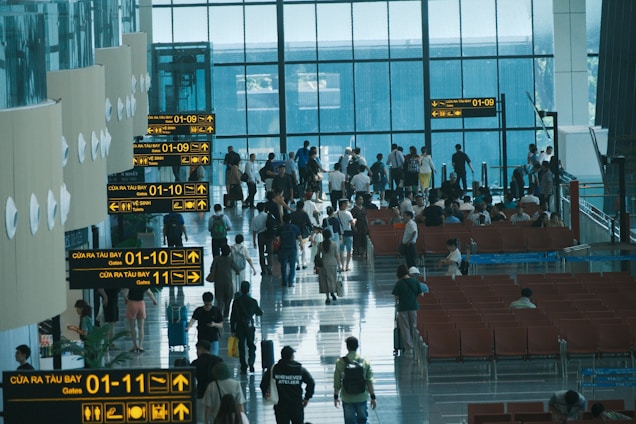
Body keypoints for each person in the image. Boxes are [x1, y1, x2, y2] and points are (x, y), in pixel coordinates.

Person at [261, 346, 315, 424]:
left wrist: (266, 394)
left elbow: (263, 383)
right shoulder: (300, 370)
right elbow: (311, 383)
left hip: (280, 405)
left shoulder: (274, 369)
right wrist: (307, 398)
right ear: (292, 356)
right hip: (296, 405)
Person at [333, 336, 377, 424]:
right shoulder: (365, 362)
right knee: (363, 420)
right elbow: (369, 381)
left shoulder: (340, 362)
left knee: (349, 421)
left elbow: (337, 381)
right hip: (362, 396)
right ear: (357, 346)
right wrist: (373, 397)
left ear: (347, 347)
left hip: (347, 397)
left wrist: (336, 397)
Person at [230, 281, 263, 374]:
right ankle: (251, 362)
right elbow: (259, 312)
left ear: (241, 289)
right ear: (248, 290)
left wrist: (232, 329)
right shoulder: (253, 301)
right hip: (249, 325)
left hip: (240, 326)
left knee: (241, 346)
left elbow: (233, 316)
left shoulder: (236, 301)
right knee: (251, 345)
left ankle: (243, 366)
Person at [392, 264, 422, 357]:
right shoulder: (415, 281)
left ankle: (409, 348)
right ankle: (416, 345)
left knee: (405, 328)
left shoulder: (399, 283)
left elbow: (396, 296)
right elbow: (420, 294)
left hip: (403, 308)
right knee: (413, 326)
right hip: (413, 306)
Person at [191, 340, 224, 420]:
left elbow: (191, 380)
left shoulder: (196, 363)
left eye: (197, 349)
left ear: (201, 349)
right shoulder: (219, 360)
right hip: (217, 393)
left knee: (201, 418)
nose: (197, 352)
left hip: (201, 393)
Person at [209, 244, 241, 318]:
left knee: (219, 300)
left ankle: (219, 314)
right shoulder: (230, 259)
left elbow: (212, 269)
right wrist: (237, 271)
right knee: (228, 299)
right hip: (228, 283)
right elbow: (237, 269)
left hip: (218, 282)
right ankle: (226, 314)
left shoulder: (216, 259)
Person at [123, 288, 157, 352]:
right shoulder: (142, 281)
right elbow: (149, 293)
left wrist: (125, 299)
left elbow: (125, 293)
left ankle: (135, 345)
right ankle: (140, 345)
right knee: (141, 327)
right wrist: (154, 300)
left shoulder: (128, 281)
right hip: (141, 304)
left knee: (132, 328)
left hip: (131, 303)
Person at [316, 229, 343, 305]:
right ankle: (333, 292)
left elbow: (318, 255)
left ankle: (327, 297)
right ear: (330, 235)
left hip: (323, 264)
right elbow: (337, 255)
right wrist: (339, 264)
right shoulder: (334, 244)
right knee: (332, 279)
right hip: (333, 264)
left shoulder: (320, 244)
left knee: (324, 281)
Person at [278, 213, 304, 287]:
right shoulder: (295, 227)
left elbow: (276, 238)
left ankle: (284, 282)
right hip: (292, 248)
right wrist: (302, 245)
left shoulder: (281, 228)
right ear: (290, 219)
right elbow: (299, 237)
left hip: (283, 248)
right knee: (292, 266)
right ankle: (291, 282)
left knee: (283, 266)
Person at [251, 202, 274, 275]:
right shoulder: (269, 216)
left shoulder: (255, 219)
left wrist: (254, 241)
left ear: (257, 209)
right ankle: (270, 267)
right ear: (264, 208)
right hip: (269, 235)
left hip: (260, 236)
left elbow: (254, 231)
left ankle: (263, 269)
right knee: (270, 252)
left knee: (261, 252)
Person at [290, 200, 313, 270]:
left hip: (295, 234)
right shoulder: (304, 214)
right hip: (303, 234)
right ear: (303, 206)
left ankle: (297, 264)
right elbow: (309, 223)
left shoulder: (292, 214)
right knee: (304, 248)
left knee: (296, 249)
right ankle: (303, 263)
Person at [337, 199, 356, 272]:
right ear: (343, 205)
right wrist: (354, 220)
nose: (348, 205)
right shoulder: (348, 213)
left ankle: (342, 266)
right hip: (348, 233)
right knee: (349, 250)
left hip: (341, 235)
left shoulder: (336, 213)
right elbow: (352, 224)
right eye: (347, 203)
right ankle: (347, 265)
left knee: (341, 251)